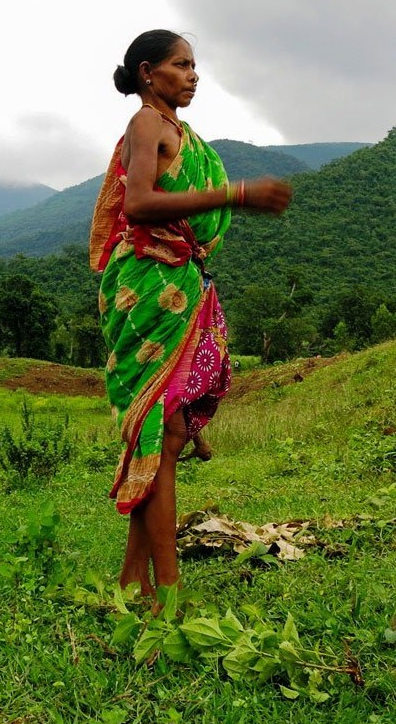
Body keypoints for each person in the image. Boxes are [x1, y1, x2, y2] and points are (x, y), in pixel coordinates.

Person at [88, 29, 292, 599]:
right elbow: (140, 204)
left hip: (181, 278)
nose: (193, 74)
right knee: (165, 427)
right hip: (147, 284)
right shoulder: (147, 124)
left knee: (167, 435)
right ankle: (168, 595)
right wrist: (236, 194)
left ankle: (135, 580)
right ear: (149, 74)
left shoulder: (181, 132)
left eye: (196, 65)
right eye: (182, 65)